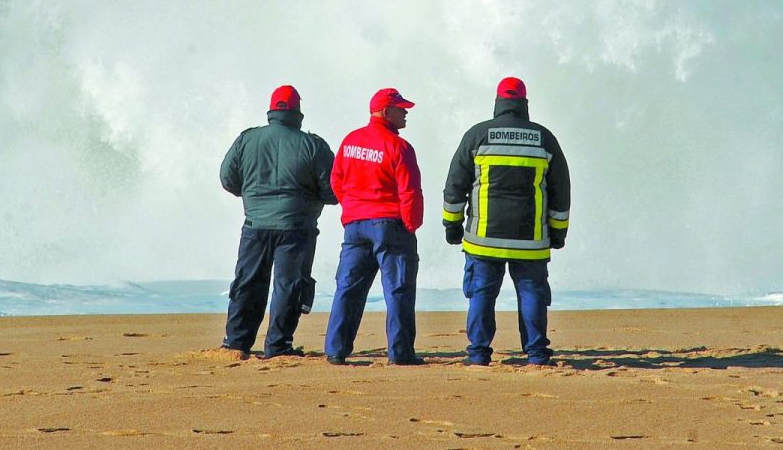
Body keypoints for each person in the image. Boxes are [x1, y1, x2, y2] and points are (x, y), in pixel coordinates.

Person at [442, 76, 570, 366]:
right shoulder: (544, 138)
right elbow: (561, 191)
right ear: (524, 104)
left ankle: (478, 354)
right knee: (532, 294)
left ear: (498, 104)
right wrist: (558, 232)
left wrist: (452, 225)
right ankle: (536, 354)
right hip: (531, 240)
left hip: (483, 240)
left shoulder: (477, 135)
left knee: (481, 295)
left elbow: (455, 185)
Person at [218, 84, 337, 359]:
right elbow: (333, 189)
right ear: (298, 112)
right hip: (296, 227)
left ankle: (236, 342)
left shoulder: (246, 140)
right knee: (289, 285)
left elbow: (227, 179)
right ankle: (278, 345)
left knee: (248, 282)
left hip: (255, 224)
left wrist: (252, 196)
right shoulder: (312, 144)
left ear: (271, 110)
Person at [323, 86, 424, 365]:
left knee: (348, 288)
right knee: (398, 288)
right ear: (385, 112)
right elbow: (410, 191)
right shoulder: (399, 147)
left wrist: (352, 207)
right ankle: (400, 353)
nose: (405, 113)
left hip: (355, 225)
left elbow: (336, 180)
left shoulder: (351, 140)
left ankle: (335, 349)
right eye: (401, 109)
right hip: (389, 224)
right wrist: (411, 225)